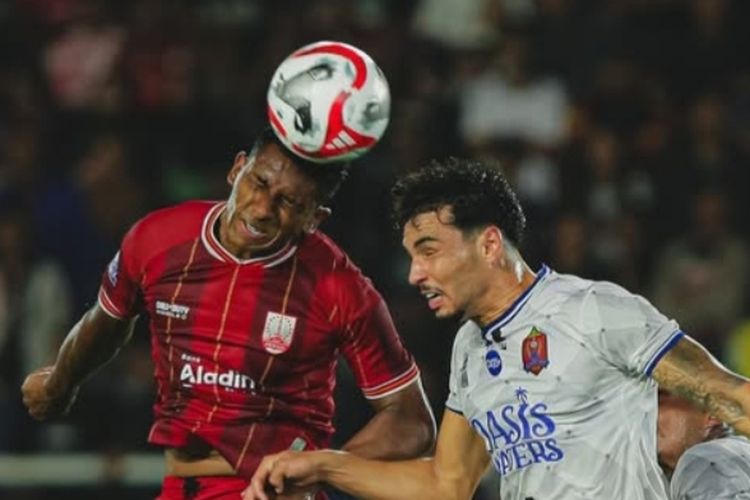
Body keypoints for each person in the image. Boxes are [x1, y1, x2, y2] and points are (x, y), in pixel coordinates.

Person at [245, 158, 750, 500]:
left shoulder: (593, 310)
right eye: (411, 256)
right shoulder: (470, 348)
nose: (415, 274)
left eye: (428, 250)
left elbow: (726, 393)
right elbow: (447, 485)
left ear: (489, 245)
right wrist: (325, 465)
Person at [21, 127, 436, 499]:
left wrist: (318, 471)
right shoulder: (158, 239)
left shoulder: (337, 285)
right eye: (259, 183)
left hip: (262, 492)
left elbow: (412, 420)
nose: (262, 209)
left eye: (288, 202)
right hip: (176, 485)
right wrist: (60, 382)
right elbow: (110, 319)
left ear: (314, 218)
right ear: (238, 169)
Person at [658, 391, 750, 499]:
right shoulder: (732, 455)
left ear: (714, 414)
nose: (647, 410)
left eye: (659, 399)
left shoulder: (707, 457)